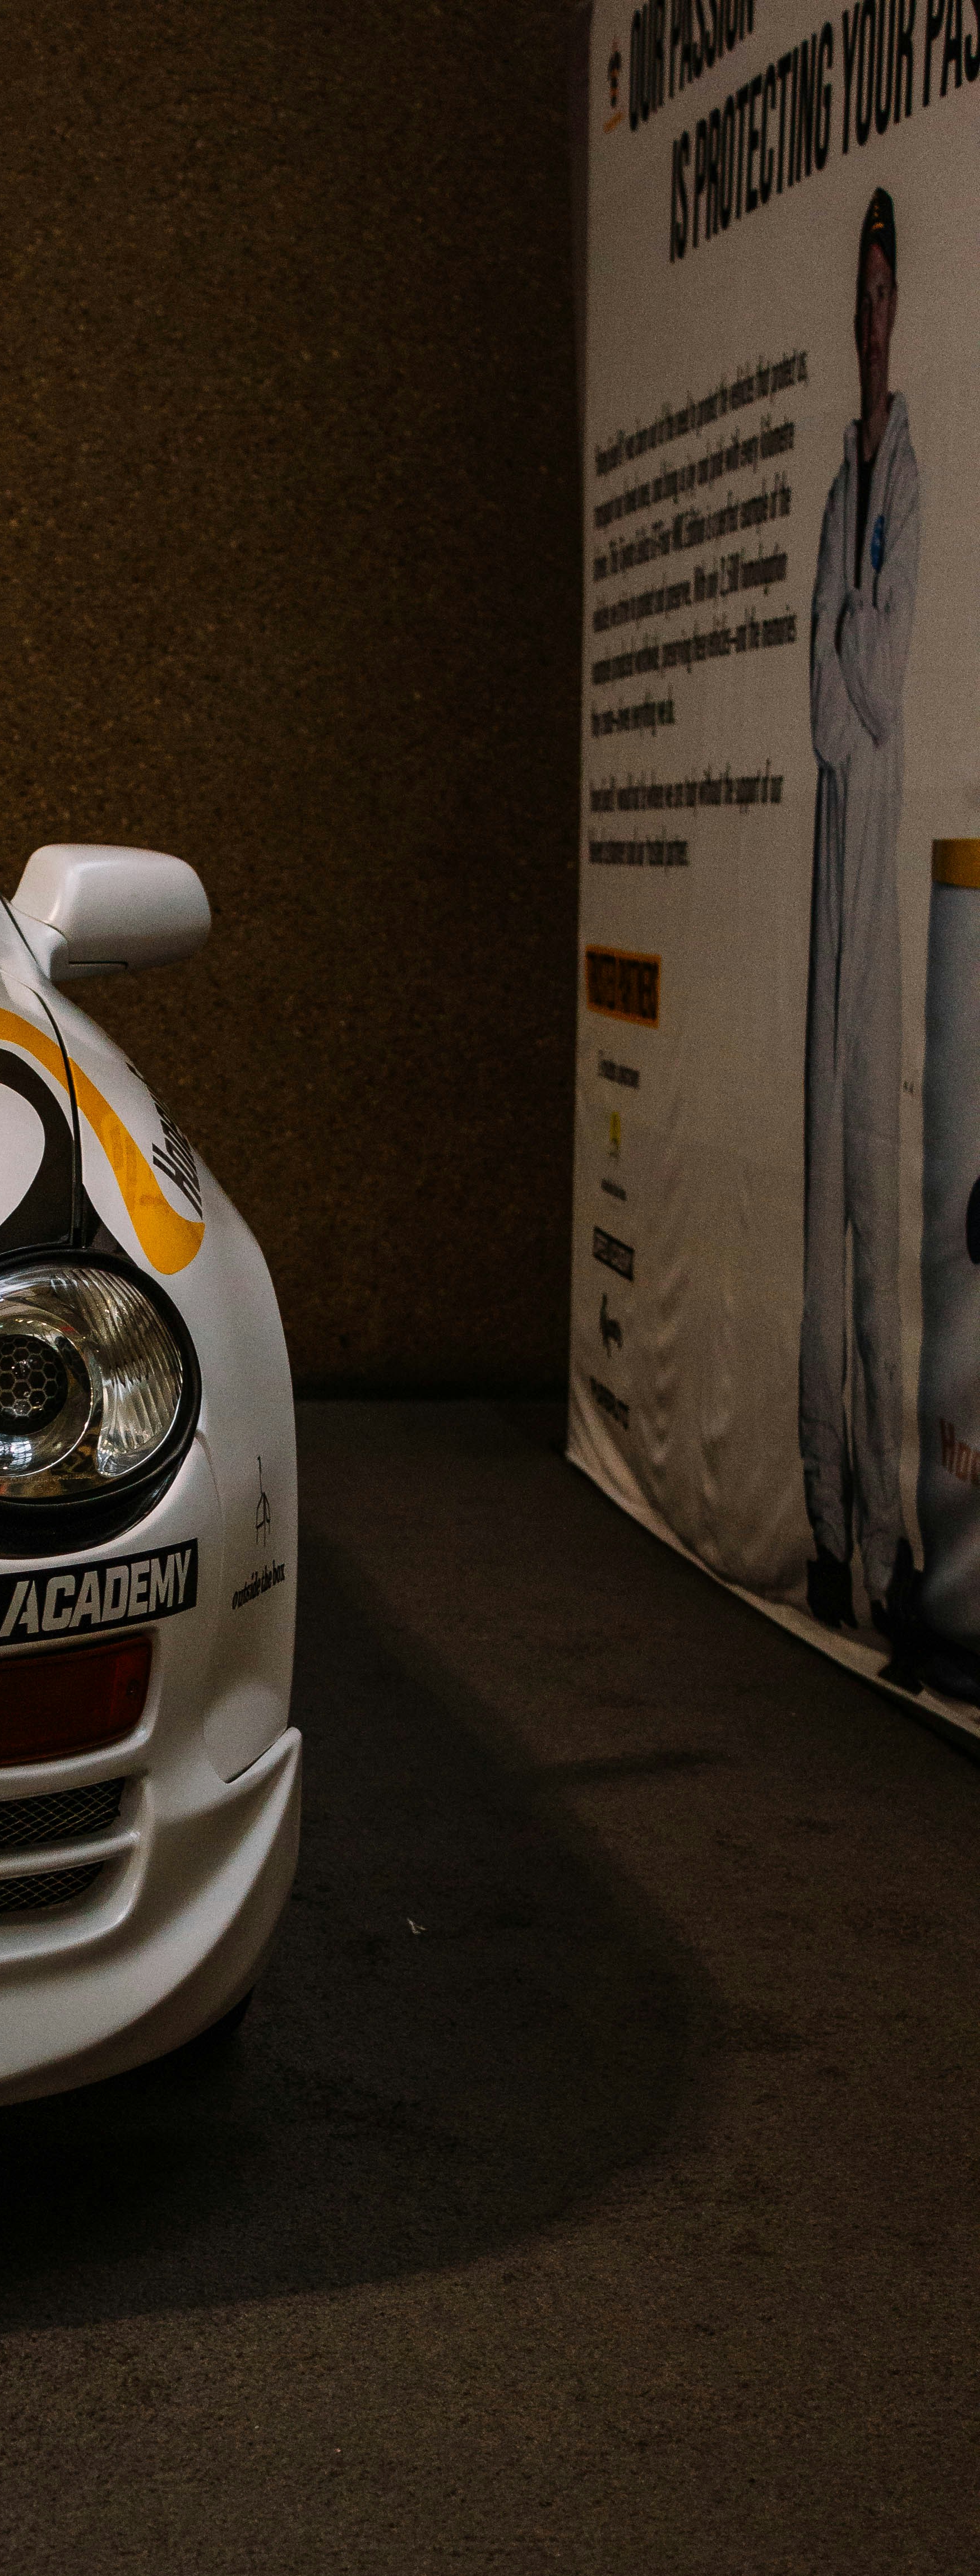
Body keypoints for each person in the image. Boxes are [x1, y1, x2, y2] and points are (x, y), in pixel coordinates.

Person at [803, 187, 919, 1632]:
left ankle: (892, 1548)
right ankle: (828, 1527)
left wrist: (849, 651)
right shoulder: (841, 490)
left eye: (889, 292)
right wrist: (846, 649)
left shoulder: (914, 476)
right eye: (863, 293)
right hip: (836, 841)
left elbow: (878, 684)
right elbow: (829, 712)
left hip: (886, 871)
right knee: (822, 1195)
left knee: (878, 1198)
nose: (874, 316)